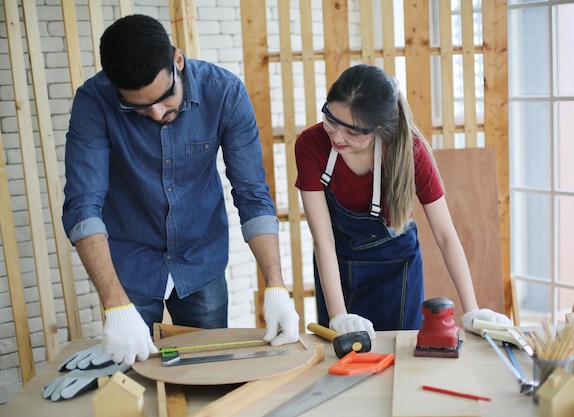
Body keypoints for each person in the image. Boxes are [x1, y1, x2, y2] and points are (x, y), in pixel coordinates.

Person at [62, 14, 299, 366]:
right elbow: (83, 205)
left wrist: (276, 285)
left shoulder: (225, 92)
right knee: (135, 382)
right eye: (139, 107)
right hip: (130, 265)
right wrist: (114, 304)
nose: (157, 113)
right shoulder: (94, 102)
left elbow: (251, 193)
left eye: (165, 98)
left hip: (201, 258)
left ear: (177, 60)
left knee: (207, 376)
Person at [294, 64, 510, 340]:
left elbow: (445, 235)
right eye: (331, 120)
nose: (337, 136)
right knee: (343, 356)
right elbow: (323, 240)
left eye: (353, 132)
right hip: (337, 267)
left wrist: (472, 310)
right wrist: (339, 316)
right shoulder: (311, 144)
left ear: (380, 129)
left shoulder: (410, 152)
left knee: (399, 358)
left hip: (396, 272)